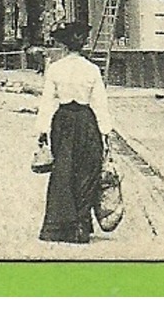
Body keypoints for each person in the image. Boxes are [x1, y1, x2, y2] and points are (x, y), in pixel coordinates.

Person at [37, 21, 113, 244]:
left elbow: (48, 101)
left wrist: (42, 131)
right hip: (85, 121)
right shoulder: (91, 69)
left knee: (63, 171)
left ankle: (61, 226)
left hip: (62, 122)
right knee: (87, 171)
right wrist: (106, 132)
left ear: (64, 45)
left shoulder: (55, 68)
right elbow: (100, 103)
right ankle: (81, 225)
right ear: (83, 44)